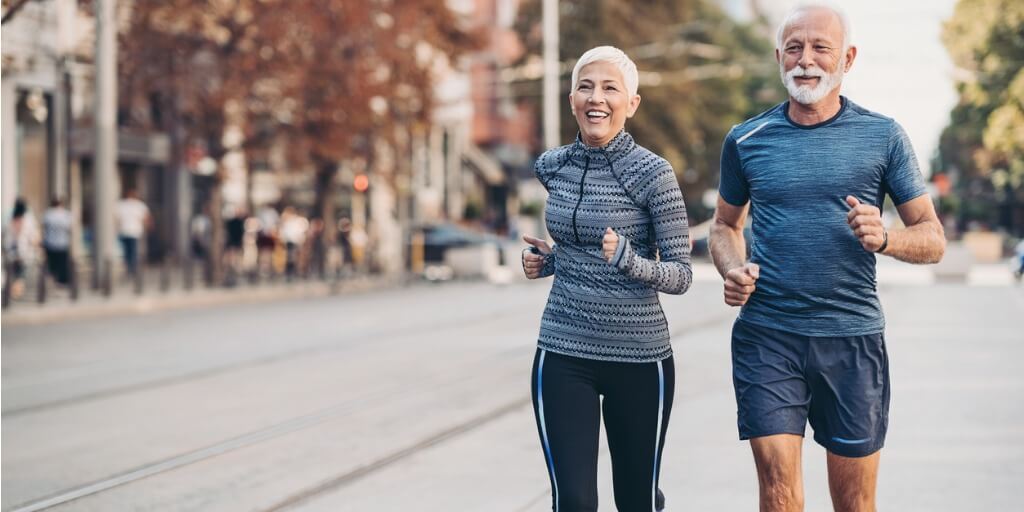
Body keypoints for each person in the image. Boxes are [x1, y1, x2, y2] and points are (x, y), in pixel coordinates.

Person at [709, 4, 946, 511]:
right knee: (778, 491)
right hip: (768, 335)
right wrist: (732, 268)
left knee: (854, 503)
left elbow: (932, 238)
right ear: (779, 57)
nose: (805, 60)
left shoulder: (883, 136)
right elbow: (725, 225)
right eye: (794, 48)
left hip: (852, 339)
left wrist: (886, 238)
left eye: (821, 48)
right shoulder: (746, 139)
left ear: (848, 58)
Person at [521, 46, 692, 512]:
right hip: (563, 351)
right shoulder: (552, 167)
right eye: (585, 86)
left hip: (639, 359)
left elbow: (681, 275)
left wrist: (630, 262)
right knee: (573, 501)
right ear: (572, 97)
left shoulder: (654, 174)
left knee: (636, 500)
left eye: (610, 88)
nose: (597, 97)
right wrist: (548, 261)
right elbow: (578, 248)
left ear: (631, 104)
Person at [3, 198, 40, 298]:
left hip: (11, 249)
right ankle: (14, 291)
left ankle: (13, 291)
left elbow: (4, 232)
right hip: (23, 251)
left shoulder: (8, 216)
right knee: (21, 274)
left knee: (14, 272)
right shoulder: (28, 218)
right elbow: (33, 236)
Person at [115, 189, 151, 277]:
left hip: (125, 231)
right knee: (132, 251)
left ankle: (130, 268)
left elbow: (116, 218)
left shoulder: (121, 204)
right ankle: (132, 269)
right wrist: (146, 227)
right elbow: (146, 218)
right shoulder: (139, 205)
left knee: (127, 251)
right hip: (134, 231)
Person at [42, 197, 73, 285]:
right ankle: (62, 281)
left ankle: (52, 279)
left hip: (50, 242)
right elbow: (70, 228)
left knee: (52, 264)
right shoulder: (66, 214)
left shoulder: (48, 214)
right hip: (63, 242)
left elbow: (44, 227)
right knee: (62, 264)